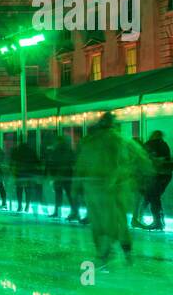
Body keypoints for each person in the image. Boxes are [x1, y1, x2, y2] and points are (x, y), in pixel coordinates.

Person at [75, 113, 151, 265]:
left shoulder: (90, 142)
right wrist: (144, 174)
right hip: (115, 188)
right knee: (119, 222)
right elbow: (142, 159)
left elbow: (80, 166)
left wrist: (76, 187)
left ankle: (103, 253)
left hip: (93, 189)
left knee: (98, 223)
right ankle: (126, 253)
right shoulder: (121, 140)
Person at [45, 135, 77, 220]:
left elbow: (53, 163)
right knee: (69, 194)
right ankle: (74, 212)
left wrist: (54, 175)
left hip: (60, 176)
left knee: (59, 195)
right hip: (67, 176)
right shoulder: (69, 150)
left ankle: (58, 212)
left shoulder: (56, 151)